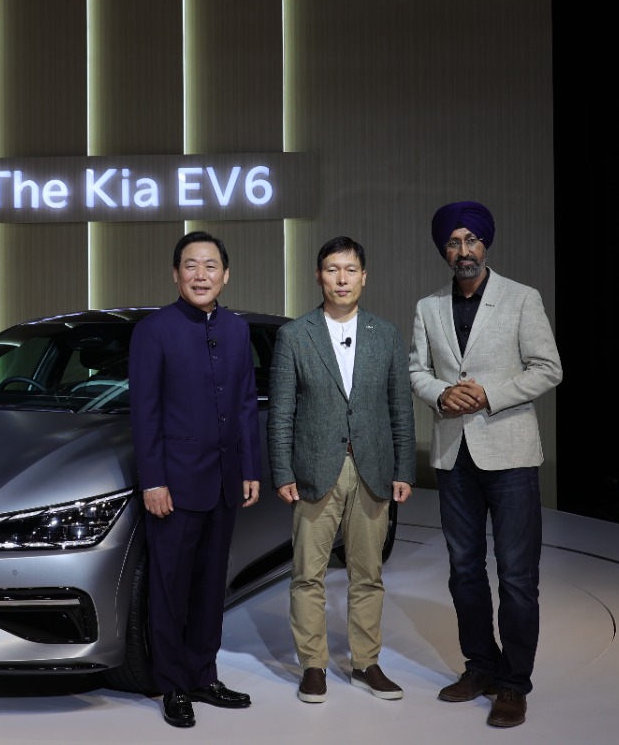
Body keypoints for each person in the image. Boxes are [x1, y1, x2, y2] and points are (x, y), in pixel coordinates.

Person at [409, 201, 563, 729]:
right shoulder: (428, 307)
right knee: (464, 570)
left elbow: (548, 368)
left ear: (485, 243)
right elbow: (417, 370)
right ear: (444, 250)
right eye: (454, 242)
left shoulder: (522, 298)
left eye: (471, 240)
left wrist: (489, 395)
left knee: (517, 577)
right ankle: (480, 667)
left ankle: (514, 684)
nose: (464, 250)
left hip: (511, 454)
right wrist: (441, 393)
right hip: (454, 456)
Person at [268, 236, 415, 705]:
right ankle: (313, 666)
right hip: (315, 469)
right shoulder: (296, 335)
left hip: (373, 469)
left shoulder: (386, 334)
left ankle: (366, 663)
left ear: (364, 277)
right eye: (332, 270)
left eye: (350, 270)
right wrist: (282, 470)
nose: (342, 279)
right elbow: (282, 412)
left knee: (367, 575)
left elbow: (400, 408)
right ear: (319, 276)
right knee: (307, 575)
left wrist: (404, 468)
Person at [129, 230, 262, 729]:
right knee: (169, 589)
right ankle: (172, 684)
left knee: (210, 588)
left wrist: (250, 468)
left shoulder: (236, 329)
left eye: (210, 266)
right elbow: (144, 413)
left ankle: (203, 675)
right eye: (191, 265)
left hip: (225, 481)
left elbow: (245, 403)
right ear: (175, 274)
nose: (201, 275)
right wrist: (153, 480)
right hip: (175, 485)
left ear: (225, 274)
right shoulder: (155, 330)